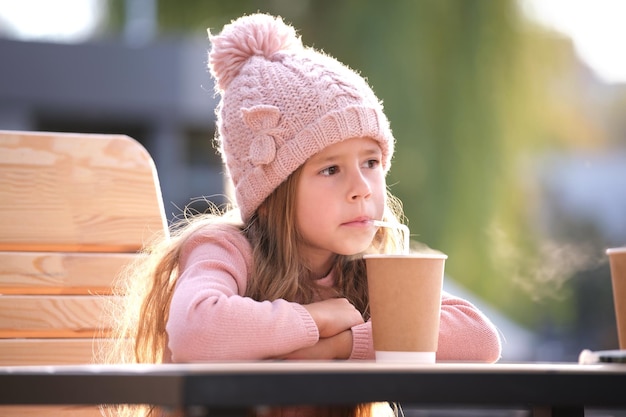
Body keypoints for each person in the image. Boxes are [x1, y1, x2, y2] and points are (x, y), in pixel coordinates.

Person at [106, 13, 501, 417]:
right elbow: (196, 330)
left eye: (371, 162)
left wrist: (342, 344)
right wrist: (316, 319)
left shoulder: (370, 270)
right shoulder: (227, 249)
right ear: (274, 190)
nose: (362, 187)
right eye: (330, 169)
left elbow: (480, 338)